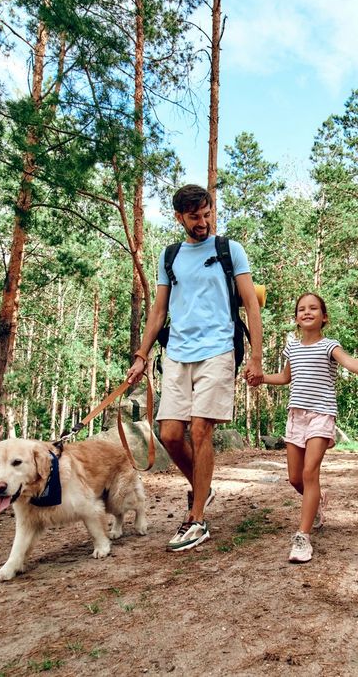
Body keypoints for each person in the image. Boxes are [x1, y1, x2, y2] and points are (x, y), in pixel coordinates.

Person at [127, 184, 264, 552]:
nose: (202, 223)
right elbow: (158, 311)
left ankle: (197, 517)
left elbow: (251, 304)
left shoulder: (229, 250)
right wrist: (141, 355)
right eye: (194, 217)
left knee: (201, 429)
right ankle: (204, 488)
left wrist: (255, 356)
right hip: (177, 353)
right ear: (179, 217)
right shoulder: (170, 256)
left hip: (218, 349)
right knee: (170, 434)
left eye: (206, 215)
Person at [258, 293, 358, 563]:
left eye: (313, 308)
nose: (306, 312)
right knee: (296, 478)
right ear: (296, 318)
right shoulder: (292, 348)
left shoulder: (330, 346)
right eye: (301, 309)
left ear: (324, 316)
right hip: (295, 416)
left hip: (321, 415)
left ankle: (302, 536)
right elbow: (286, 377)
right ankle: (318, 499)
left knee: (310, 472)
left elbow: (349, 362)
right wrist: (261, 377)